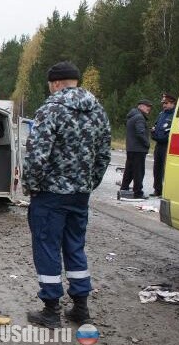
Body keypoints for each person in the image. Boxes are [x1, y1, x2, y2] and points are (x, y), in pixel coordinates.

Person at [22, 61, 112, 328]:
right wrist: (88, 183)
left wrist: (31, 185)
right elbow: (104, 155)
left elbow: (37, 155)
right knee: (75, 246)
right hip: (80, 195)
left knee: (47, 246)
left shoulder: (51, 109)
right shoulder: (98, 111)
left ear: (57, 83)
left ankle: (51, 311)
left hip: (51, 194)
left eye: (50, 84)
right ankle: (80, 308)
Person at [118, 99, 153, 199]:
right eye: (147, 106)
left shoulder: (132, 116)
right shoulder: (139, 118)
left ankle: (124, 189)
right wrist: (147, 144)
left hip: (131, 148)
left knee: (129, 170)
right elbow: (140, 133)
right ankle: (138, 192)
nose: (149, 109)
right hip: (138, 149)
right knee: (138, 171)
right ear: (141, 106)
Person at [150, 93, 177, 197]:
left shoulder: (175, 115)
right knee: (157, 168)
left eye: (166, 103)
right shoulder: (161, 114)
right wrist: (154, 134)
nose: (164, 105)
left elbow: (171, 132)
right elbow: (155, 128)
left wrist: (160, 137)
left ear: (172, 103)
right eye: (163, 103)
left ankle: (166, 192)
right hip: (159, 145)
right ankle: (157, 190)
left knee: (166, 169)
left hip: (167, 145)